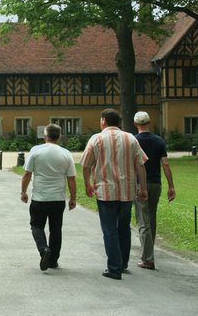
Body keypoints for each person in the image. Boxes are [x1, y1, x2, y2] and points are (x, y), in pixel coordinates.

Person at [81, 108, 148, 280]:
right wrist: (144, 188)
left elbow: (86, 165)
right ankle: (123, 262)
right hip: (127, 191)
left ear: (103, 120)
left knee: (109, 229)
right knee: (124, 227)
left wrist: (87, 184)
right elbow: (140, 164)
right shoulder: (130, 138)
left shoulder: (96, 139)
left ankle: (114, 268)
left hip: (105, 191)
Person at [20, 124, 77, 271]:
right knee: (56, 229)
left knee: (36, 226)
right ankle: (53, 261)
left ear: (45, 136)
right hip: (58, 198)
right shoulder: (66, 153)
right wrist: (73, 198)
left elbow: (27, 174)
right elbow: (71, 178)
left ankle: (43, 249)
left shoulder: (36, 151)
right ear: (59, 136)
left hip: (40, 197)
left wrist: (23, 192)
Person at [132, 111, 176, 270]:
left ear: (135, 124)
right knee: (151, 217)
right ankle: (149, 251)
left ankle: (147, 259)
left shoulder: (133, 141)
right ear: (149, 123)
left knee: (142, 220)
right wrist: (171, 186)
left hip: (139, 184)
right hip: (156, 184)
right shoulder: (159, 141)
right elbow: (165, 164)